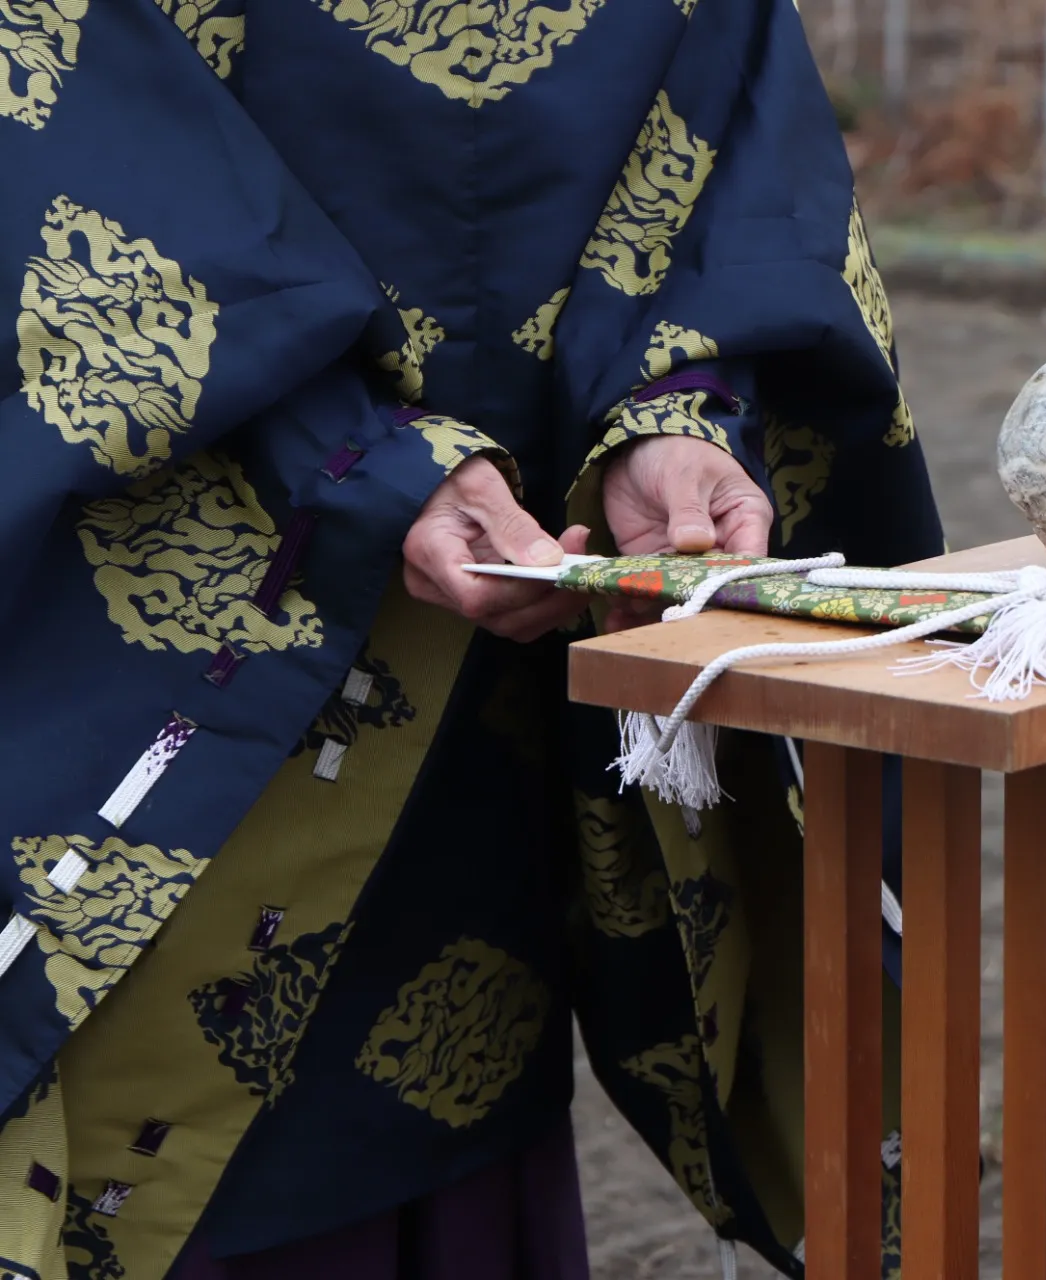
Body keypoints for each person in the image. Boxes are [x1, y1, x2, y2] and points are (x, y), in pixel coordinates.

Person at [0, 1, 942, 1276]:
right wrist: (350, 457)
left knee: (454, 1074)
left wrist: (677, 406)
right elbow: (60, 117)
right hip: (207, 545)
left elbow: (725, 120)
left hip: (516, 638)